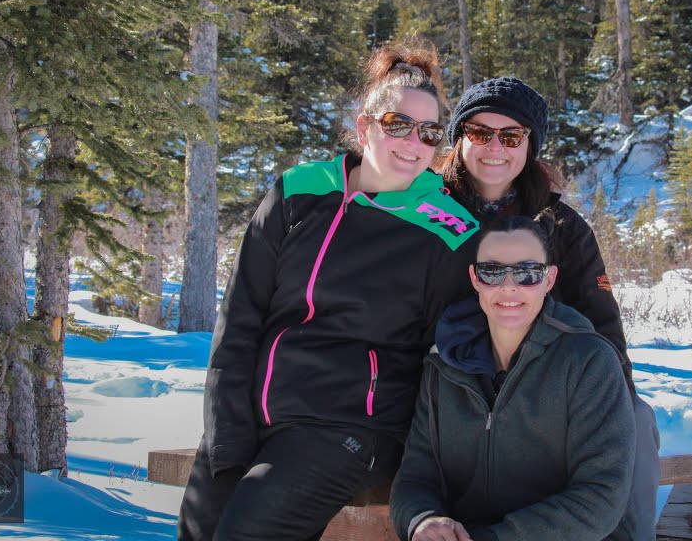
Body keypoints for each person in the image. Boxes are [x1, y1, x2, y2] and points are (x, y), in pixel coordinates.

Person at [177, 41, 481, 541]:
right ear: (365, 127)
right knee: (201, 528)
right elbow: (240, 321)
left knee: (247, 531)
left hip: (351, 430)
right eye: (398, 124)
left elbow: (442, 356)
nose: (414, 142)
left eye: (429, 133)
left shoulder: (449, 230)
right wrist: (227, 441)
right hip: (256, 415)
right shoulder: (299, 192)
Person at [435, 77, 662, 540]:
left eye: (511, 136)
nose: (494, 146)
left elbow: (604, 330)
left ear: (529, 147)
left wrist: (602, 397)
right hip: (449, 388)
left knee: (635, 418)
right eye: (479, 133)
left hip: (550, 392)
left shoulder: (564, 228)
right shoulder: (426, 215)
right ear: (459, 140)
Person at [390, 216, 637, 541]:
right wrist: (423, 520)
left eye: (527, 273)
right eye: (492, 271)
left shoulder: (589, 362)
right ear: (475, 279)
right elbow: (416, 474)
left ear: (549, 280)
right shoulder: (443, 364)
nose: (509, 286)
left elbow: (601, 496)